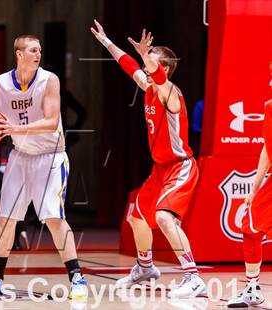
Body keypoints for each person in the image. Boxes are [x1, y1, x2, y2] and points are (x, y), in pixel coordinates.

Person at [91, 20, 205, 298]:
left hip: (181, 167)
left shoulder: (170, 94)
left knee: (164, 218)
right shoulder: (150, 88)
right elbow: (128, 65)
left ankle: (193, 277)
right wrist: (107, 42)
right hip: (160, 169)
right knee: (137, 218)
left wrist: (146, 56)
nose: (144, 67)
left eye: (151, 63)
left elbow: (156, 77)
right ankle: (145, 267)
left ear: (163, 69)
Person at [0, 34, 87, 299]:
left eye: (39, 50)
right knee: (6, 219)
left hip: (50, 157)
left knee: (53, 218)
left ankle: (77, 279)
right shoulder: (2, 82)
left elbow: (51, 121)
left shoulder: (49, 80)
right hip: (20, 155)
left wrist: (14, 128)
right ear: (19, 54)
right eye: (33, 50)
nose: (38, 55)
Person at [227, 64, 272, 308]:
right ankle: (253, 288)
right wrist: (254, 188)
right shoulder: (270, 106)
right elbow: (268, 147)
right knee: (251, 227)